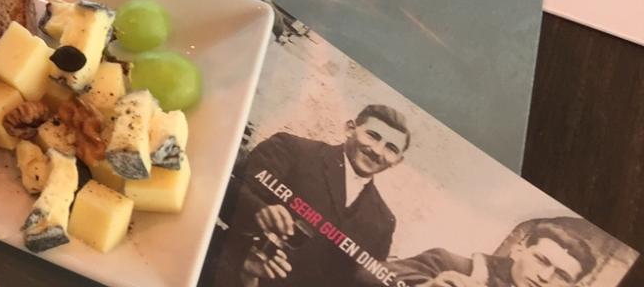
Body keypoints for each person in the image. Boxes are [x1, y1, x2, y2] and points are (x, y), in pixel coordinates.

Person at [214, 104, 412, 286]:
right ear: (350, 129)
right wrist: (259, 210)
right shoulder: (292, 150)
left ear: (398, 160)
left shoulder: (383, 222)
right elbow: (222, 190)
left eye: (391, 148)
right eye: (373, 136)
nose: (377, 151)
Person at [387, 217, 599, 287]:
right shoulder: (447, 264)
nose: (545, 277)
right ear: (518, 250)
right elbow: (370, 275)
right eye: (541, 260)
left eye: (561, 276)